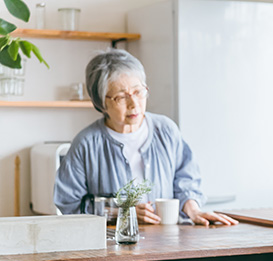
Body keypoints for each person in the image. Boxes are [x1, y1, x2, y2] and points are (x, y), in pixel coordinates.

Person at [54, 48, 237, 227]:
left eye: (138, 92)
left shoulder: (165, 130)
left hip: (166, 241)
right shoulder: (86, 144)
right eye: (121, 97)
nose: (134, 104)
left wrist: (193, 209)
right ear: (101, 103)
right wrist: (122, 212)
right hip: (113, 247)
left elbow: (186, 179)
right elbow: (69, 203)